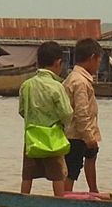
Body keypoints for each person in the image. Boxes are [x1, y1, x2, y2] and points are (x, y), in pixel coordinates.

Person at [18, 41, 73, 196]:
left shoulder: (26, 85)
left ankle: (22, 202)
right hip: (53, 137)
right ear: (58, 63)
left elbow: (22, 110)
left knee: (27, 175)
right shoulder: (57, 86)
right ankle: (59, 204)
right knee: (57, 176)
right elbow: (67, 113)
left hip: (31, 136)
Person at [63, 37, 103, 194]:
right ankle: (64, 199)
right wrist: (88, 136)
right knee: (72, 171)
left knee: (92, 155)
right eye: (99, 61)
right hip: (77, 134)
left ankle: (93, 191)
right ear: (92, 58)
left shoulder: (75, 78)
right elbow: (81, 112)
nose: (99, 65)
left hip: (82, 132)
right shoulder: (79, 82)